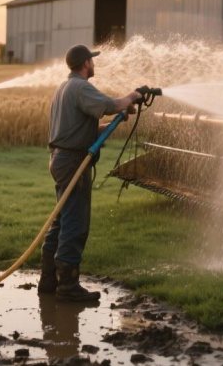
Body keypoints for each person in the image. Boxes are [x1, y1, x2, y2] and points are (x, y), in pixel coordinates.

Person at [39, 44, 141, 302]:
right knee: (75, 222)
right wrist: (131, 96)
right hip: (73, 161)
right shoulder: (81, 87)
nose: (94, 65)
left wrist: (114, 119)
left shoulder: (65, 87)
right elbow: (110, 104)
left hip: (61, 157)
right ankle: (68, 286)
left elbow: (84, 128)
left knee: (62, 219)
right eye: (92, 61)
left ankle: (48, 280)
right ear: (86, 63)